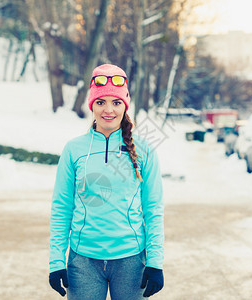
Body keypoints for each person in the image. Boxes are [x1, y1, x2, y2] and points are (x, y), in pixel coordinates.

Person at [48, 64, 165, 299]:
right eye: (101, 102)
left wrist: (155, 262)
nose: (108, 110)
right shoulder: (74, 149)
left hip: (132, 261)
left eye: (116, 102)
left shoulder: (144, 150)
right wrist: (56, 261)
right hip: (83, 262)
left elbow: (153, 209)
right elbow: (62, 208)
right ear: (92, 105)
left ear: (125, 106)